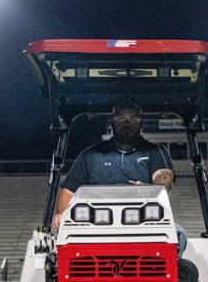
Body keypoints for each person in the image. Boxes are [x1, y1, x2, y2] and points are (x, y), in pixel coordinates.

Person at [51, 96, 185, 252]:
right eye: (121, 117)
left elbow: (164, 177)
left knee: (179, 234)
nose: (126, 122)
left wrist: (150, 190)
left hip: (142, 223)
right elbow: (68, 192)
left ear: (141, 123)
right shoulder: (90, 155)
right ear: (111, 123)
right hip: (96, 225)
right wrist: (62, 214)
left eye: (133, 118)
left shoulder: (155, 151)